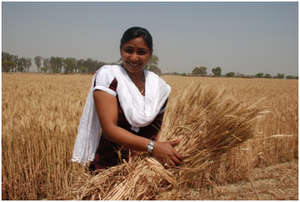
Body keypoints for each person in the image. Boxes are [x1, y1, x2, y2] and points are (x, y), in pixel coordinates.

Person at [72, 26, 182, 171]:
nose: (134, 57)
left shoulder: (159, 86)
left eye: (141, 52)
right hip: (107, 170)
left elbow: (158, 130)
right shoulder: (109, 77)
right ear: (121, 50)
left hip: (144, 171)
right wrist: (153, 147)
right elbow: (110, 129)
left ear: (150, 54)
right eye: (128, 50)